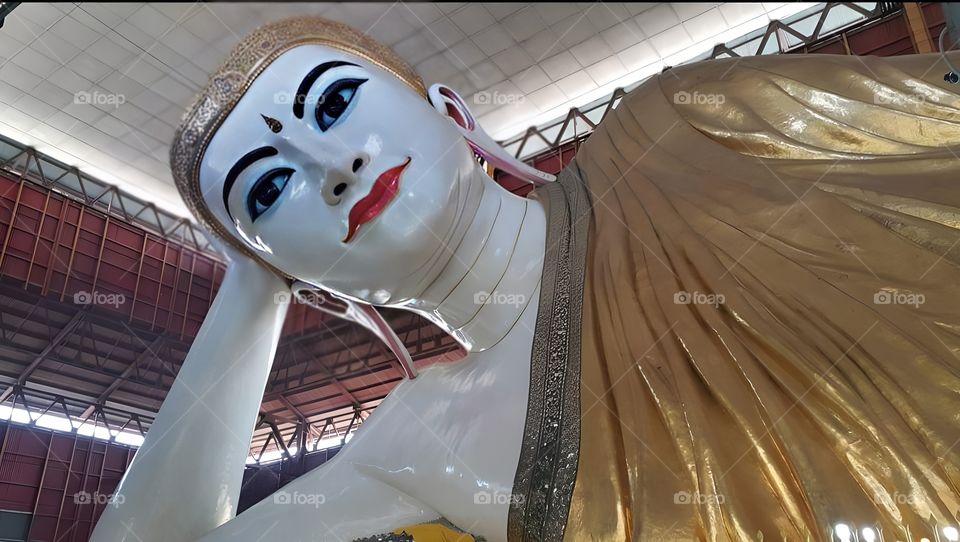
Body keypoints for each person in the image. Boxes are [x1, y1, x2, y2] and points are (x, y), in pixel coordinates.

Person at [93, 15, 960, 542]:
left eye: (334, 102)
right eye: (268, 188)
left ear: (450, 112)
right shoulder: (418, 438)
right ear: (308, 285)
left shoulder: (673, 132)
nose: (332, 165)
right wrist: (251, 290)